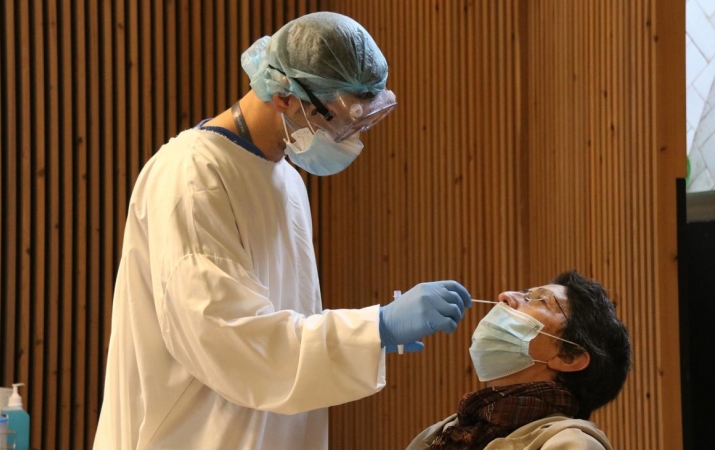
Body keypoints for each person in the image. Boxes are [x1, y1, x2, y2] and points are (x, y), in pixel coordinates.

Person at [94, 12, 471, 450]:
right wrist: (376, 327)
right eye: (341, 119)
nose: (349, 138)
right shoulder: (193, 176)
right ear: (286, 97)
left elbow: (288, 328)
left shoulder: (286, 179)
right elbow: (231, 340)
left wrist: (369, 337)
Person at [407, 270, 631, 450]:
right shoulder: (441, 434)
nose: (504, 295)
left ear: (568, 356)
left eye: (539, 299)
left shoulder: (573, 444)